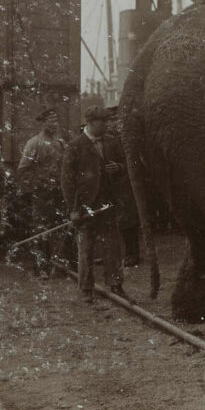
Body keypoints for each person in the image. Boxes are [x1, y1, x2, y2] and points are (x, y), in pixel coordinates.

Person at [61, 106, 129, 303]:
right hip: (84, 206)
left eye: (107, 121)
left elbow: (125, 165)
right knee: (86, 249)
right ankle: (86, 289)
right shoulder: (75, 146)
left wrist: (118, 168)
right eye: (103, 122)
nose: (107, 125)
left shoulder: (111, 141)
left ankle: (116, 285)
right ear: (90, 123)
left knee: (113, 247)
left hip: (107, 204)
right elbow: (67, 181)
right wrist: (73, 209)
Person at [17, 108, 67, 279]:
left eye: (56, 121)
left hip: (58, 192)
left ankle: (57, 266)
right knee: (41, 229)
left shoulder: (60, 143)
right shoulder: (34, 143)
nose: (54, 124)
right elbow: (23, 170)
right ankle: (41, 267)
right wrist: (37, 184)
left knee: (59, 229)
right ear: (43, 123)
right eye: (51, 121)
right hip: (41, 194)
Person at [105, 106, 140, 268]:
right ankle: (108, 253)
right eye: (110, 120)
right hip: (106, 185)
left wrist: (119, 167)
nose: (113, 123)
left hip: (124, 184)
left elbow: (134, 161)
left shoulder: (124, 138)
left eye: (115, 119)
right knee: (107, 220)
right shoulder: (102, 138)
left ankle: (132, 254)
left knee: (128, 220)